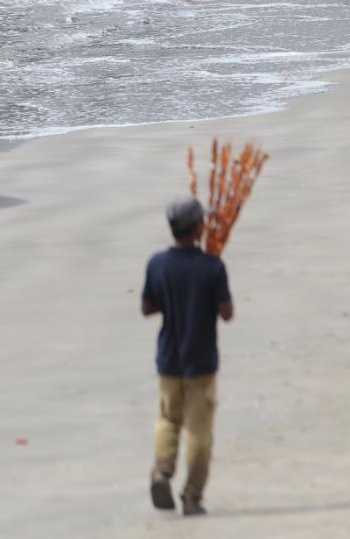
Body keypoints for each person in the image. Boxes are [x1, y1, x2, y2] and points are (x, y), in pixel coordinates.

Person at [141, 196, 233, 517]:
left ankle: (161, 472)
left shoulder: (157, 264)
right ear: (197, 228)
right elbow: (227, 313)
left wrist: (173, 301)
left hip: (169, 359)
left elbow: (147, 308)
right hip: (201, 361)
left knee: (168, 419)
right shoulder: (212, 267)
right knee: (198, 431)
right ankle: (192, 496)